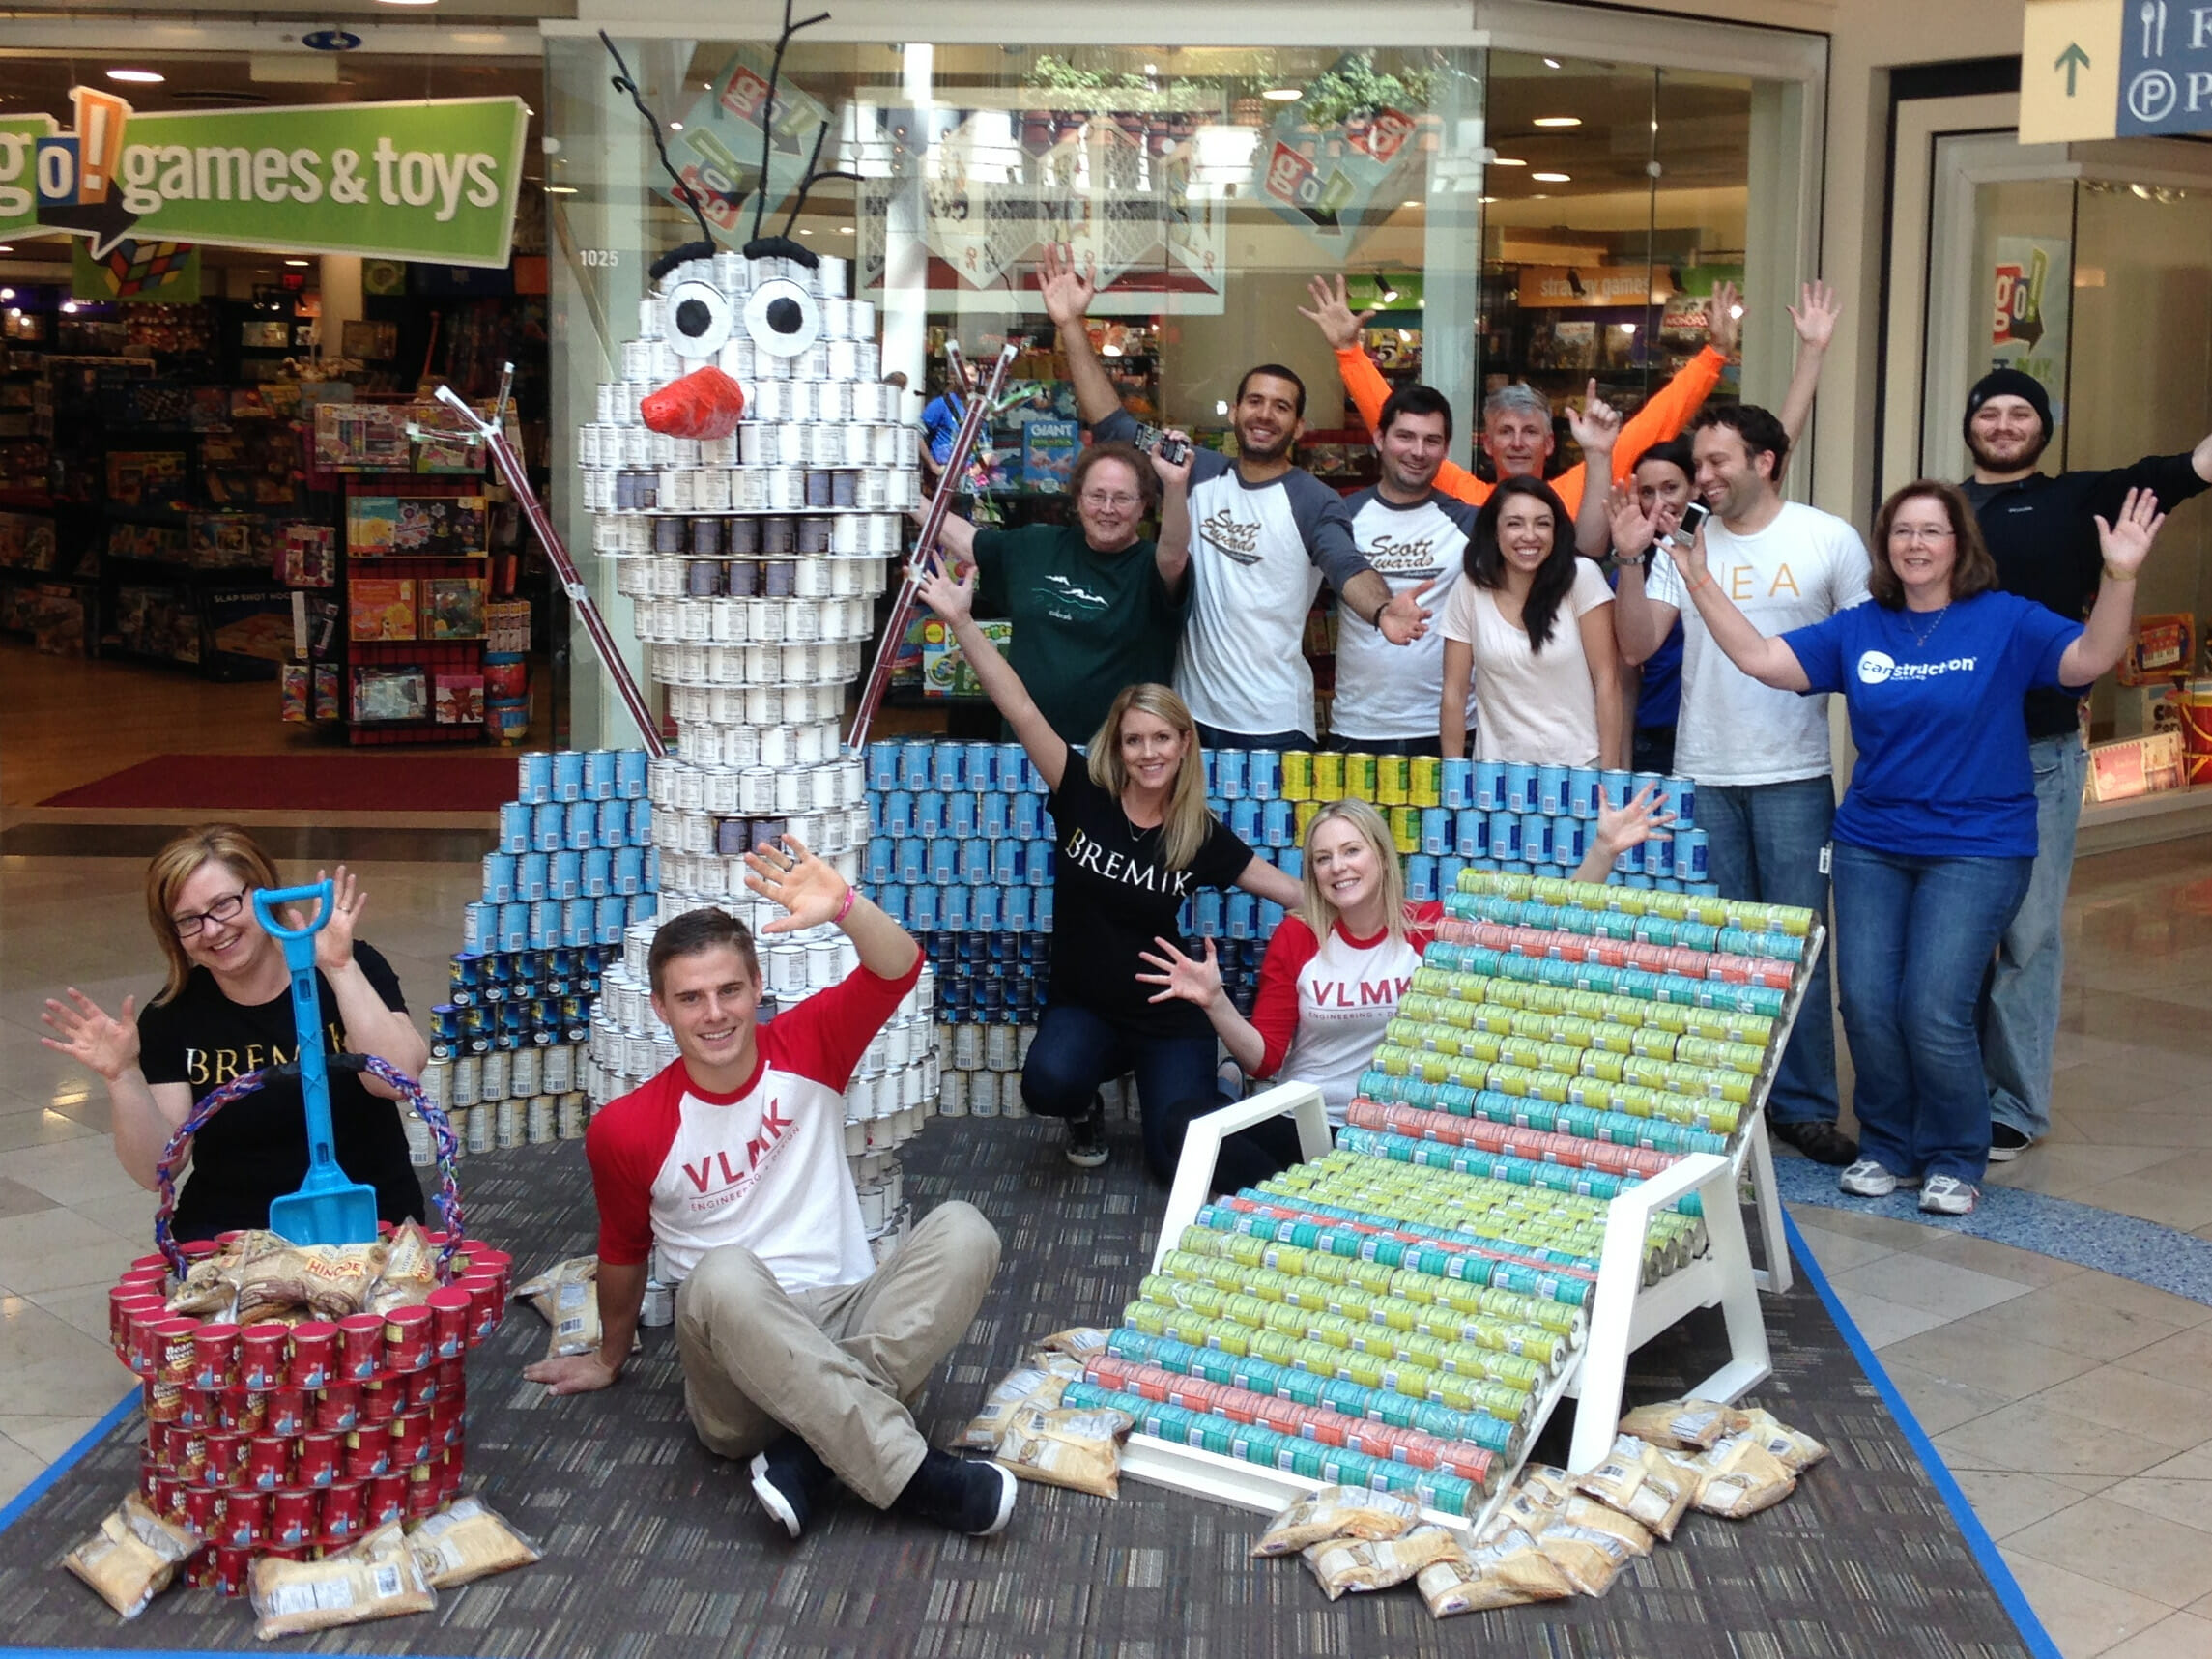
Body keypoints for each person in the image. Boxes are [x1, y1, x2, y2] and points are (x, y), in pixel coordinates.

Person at [1666, 482, 2164, 1216]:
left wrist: (2119, 575)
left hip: (1977, 844)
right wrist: (1697, 576)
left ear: (1958, 544)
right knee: (1865, 1001)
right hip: (1872, 842)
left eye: (1932, 531)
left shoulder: (2004, 620)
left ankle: (1955, 1154)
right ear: (1885, 546)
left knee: (1933, 1005)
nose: (1916, 544)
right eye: (1901, 531)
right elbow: (1763, 658)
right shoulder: (1860, 627)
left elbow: (2090, 656)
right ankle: (1888, 1144)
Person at [525, 845, 1018, 1542]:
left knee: (966, 1230)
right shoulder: (625, 1128)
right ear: (661, 1007)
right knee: (721, 1273)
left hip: (846, 1312)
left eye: (729, 989)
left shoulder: (808, 1044)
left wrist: (845, 905)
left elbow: (899, 965)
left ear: (758, 985)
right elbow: (624, 1247)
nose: (714, 1013)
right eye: (690, 997)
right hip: (737, 1372)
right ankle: (918, 1477)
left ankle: (811, 1456)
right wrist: (609, 1355)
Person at [917, 551, 1304, 1175]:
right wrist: (962, 623)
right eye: (1134, 739)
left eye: (1161, 738)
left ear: (1183, 745)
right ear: (1117, 747)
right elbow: (1018, 706)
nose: (1148, 752)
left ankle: (1220, 1085)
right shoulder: (1081, 792)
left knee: (1172, 1161)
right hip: (1086, 1008)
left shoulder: (1196, 833)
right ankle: (1085, 1108)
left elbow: (1291, 894)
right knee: (1047, 1081)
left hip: (1166, 1016)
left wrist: (1387, 917)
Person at [1606, 403, 1869, 1167]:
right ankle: (1726, 1103)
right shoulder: (1681, 541)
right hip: (1704, 772)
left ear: (1767, 462)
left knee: (1795, 945)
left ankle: (1805, 1106)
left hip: (1793, 774)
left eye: (1719, 462)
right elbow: (1635, 643)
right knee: (1719, 948)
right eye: (1699, 463)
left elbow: (1860, 655)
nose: (1704, 477)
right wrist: (1630, 558)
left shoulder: (1827, 539)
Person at [1960, 369, 2212, 1161]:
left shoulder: (2082, 497)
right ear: (1970, 426)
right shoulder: (1937, 509)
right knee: (1948, 937)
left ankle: (2014, 1106)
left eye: (2019, 413)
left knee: (2025, 936)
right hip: (1939, 757)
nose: (2003, 425)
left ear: (2043, 427)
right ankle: (1947, 1088)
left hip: (2036, 753)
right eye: (1989, 412)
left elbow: (2188, 470)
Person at [1039, 244, 1427, 750]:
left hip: (1276, 724)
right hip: (1191, 719)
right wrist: (1070, 324)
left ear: (1300, 425)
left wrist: (1381, 611)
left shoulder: (1313, 500)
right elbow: (1113, 425)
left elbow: (1346, 566)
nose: (1265, 415)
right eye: (1255, 401)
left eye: (1281, 407)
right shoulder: (1191, 469)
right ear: (1235, 412)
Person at [1135, 789, 1675, 1143]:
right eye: (1323, 859)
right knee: (1182, 1132)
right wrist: (1216, 1002)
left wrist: (1603, 850)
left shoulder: (1428, 929)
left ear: (1381, 855)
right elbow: (1265, 1060)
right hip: (1306, 1119)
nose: (1338, 868)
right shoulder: (1298, 936)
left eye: (1351, 851)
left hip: (1393, 1129)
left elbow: (1536, 935)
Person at [39, 828, 428, 1241]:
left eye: (224, 905)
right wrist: (122, 1077)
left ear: (261, 893)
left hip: (371, 1224)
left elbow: (395, 1079)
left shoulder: (349, 965)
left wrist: (338, 968)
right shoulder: (171, 1016)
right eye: (190, 920)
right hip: (229, 1238)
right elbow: (158, 1169)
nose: (212, 930)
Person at [1297, 273, 1743, 515]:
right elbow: (1396, 425)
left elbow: (1652, 426)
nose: (1516, 442)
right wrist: (1349, 354)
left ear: (1550, 444)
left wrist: (1714, 356)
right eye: (1504, 432)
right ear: (1486, 444)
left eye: (1530, 431)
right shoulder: (1464, 496)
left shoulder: (1578, 492)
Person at [927, 438, 1191, 744]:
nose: (1107, 509)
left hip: (1117, 761)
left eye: (1122, 498)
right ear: (1078, 499)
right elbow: (968, 541)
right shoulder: (1037, 546)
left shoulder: (1152, 567)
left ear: (1143, 505)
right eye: (1097, 496)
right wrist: (904, 499)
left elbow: (1174, 554)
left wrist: (1174, 485)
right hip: (1026, 752)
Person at [1328, 385, 1479, 756]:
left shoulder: (1469, 523)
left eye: (1432, 441)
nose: (1417, 451)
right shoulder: (1341, 517)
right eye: (1405, 436)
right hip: (1359, 725)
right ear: (1380, 438)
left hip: (1449, 727)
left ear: (1446, 449)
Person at [1437, 475, 1624, 766]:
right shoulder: (1470, 588)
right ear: (1494, 531)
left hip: (1579, 769)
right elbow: (1454, 692)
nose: (1529, 535)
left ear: (1556, 530)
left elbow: (1608, 682)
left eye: (1542, 523)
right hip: (1496, 776)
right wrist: (1454, 778)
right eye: (1514, 523)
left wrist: (1610, 778)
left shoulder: (1582, 577)